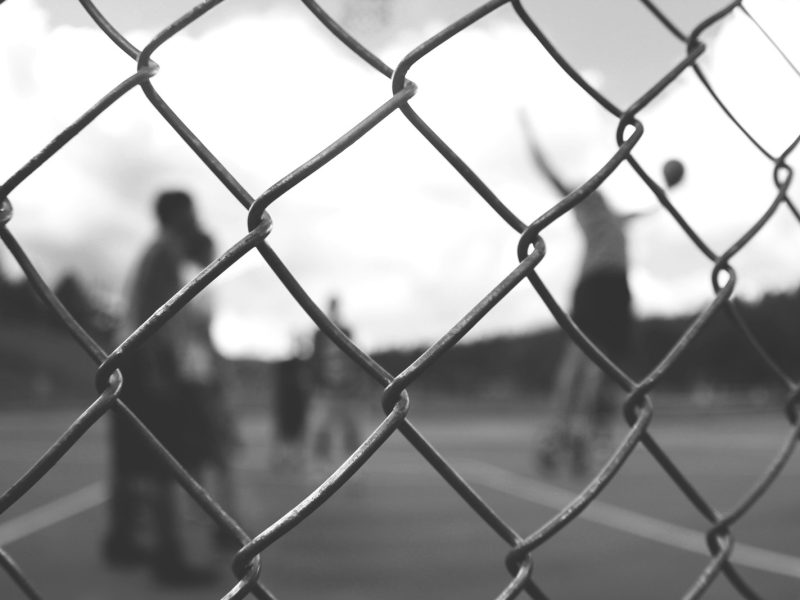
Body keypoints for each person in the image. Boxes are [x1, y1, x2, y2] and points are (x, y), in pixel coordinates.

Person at [526, 137, 684, 474]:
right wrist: (533, 144)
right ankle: (561, 431)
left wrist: (666, 192)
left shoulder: (616, 216)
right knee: (578, 364)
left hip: (617, 292)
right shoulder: (585, 206)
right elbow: (551, 175)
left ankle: (580, 432)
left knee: (600, 369)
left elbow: (649, 209)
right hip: (594, 287)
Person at [104, 190, 224, 584]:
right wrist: (159, 371)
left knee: (133, 459)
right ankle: (167, 557)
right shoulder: (165, 252)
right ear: (176, 214)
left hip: (131, 361)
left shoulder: (156, 251)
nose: (196, 218)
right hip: (147, 363)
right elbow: (152, 316)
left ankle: (122, 539)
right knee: (160, 460)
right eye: (190, 211)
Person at [306, 297, 364, 473]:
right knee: (322, 428)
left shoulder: (345, 331)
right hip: (325, 390)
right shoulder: (319, 333)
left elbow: (353, 359)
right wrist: (316, 384)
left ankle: (353, 464)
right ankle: (321, 463)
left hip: (346, 390)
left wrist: (354, 384)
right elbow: (315, 361)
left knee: (350, 429)